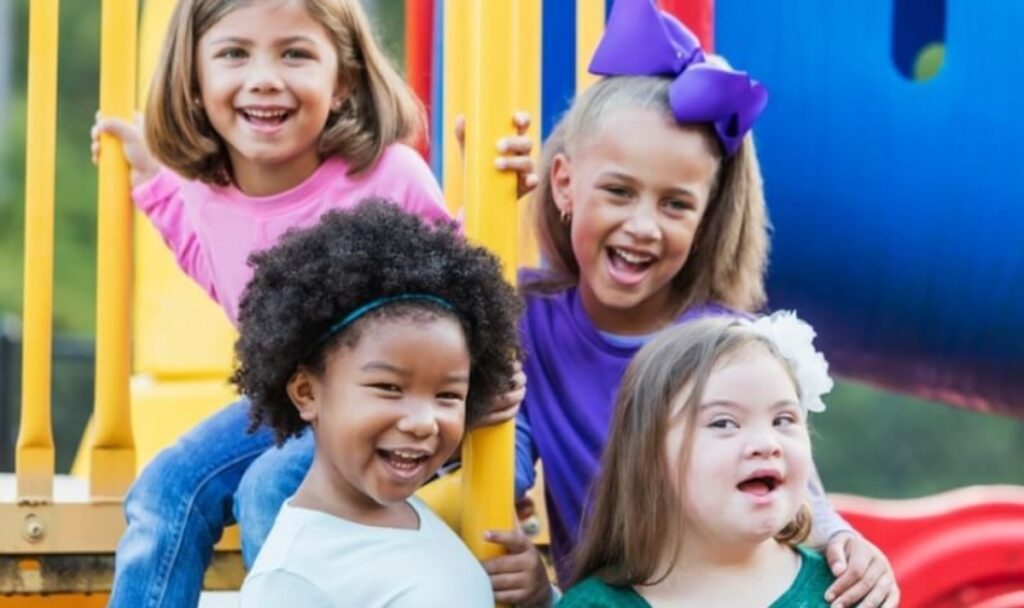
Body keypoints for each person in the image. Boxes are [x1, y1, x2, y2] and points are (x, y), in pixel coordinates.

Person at [90, 0, 530, 605]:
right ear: (193, 82)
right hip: (304, 404)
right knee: (165, 489)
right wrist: (146, 177)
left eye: (294, 53)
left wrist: (499, 190)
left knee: (269, 485)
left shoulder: (386, 175)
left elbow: (463, 284)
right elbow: (194, 245)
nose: (265, 76)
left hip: (417, 403)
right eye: (234, 53)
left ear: (343, 80)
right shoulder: (206, 196)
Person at [511, 1, 898, 606]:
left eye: (674, 204)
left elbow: (796, 494)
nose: (643, 225)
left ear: (706, 215)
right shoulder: (530, 324)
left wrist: (846, 540)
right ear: (564, 183)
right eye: (618, 191)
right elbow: (486, 455)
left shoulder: (727, 343)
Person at [232, 200, 526, 606]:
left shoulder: (415, 515)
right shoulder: (291, 580)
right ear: (307, 393)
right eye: (389, 387)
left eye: (448, 395)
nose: (424, 422)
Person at [559, 313, 856, 607]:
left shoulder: (848, 593)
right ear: (650, 457)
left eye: (783, 419)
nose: (767, 444)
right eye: (724, 423)